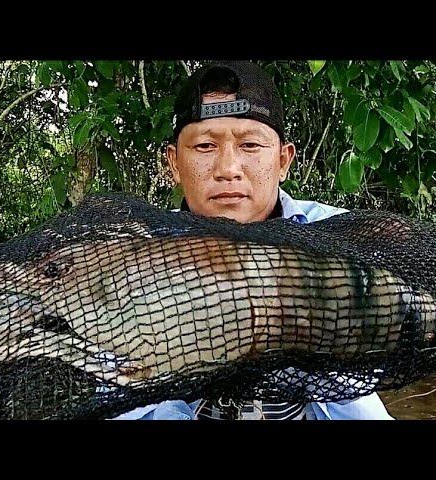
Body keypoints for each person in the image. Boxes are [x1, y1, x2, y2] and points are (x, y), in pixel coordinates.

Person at [114, 60, 394, 420]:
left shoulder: (336, 236)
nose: (228, 168)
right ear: (174, 164)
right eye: (204, 147)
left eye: (249, 144)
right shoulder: (134, 252)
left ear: (283, 160)